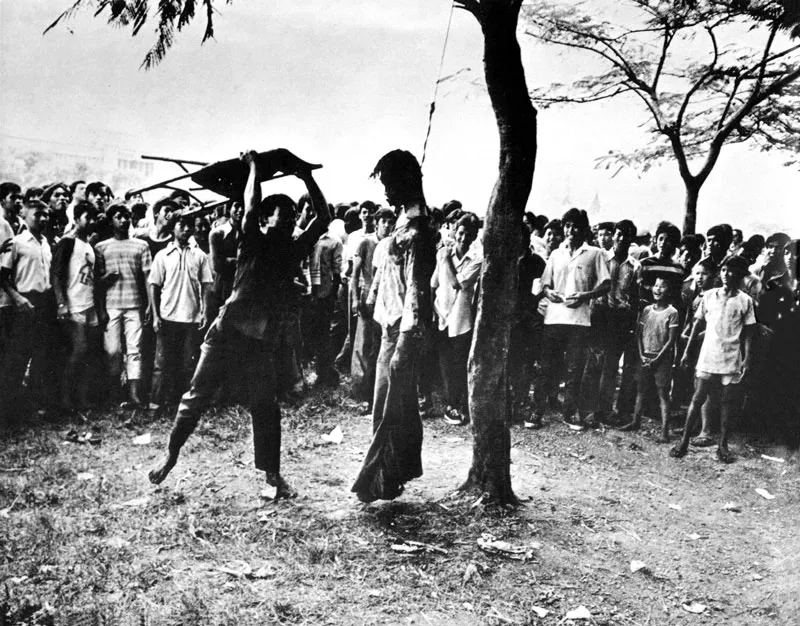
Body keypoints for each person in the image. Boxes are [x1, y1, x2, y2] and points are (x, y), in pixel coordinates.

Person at [148, 149, 330, 499]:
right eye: (284, 216)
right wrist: (253, 169)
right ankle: (171, 454)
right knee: (195, 398)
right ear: (265, 219)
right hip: (227, 331)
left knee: (265, 407)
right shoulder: (252, 239)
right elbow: (248, 207)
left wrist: (306, 176)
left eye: (294, 217)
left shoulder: (292, 249)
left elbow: (323, 217)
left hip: (259, 341)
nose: (292, 222)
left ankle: (273, 478)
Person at [352, 150, 436, 503]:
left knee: (388, 408)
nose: (385, 191)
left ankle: (378, 480)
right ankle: (393, 475)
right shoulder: (403, 224)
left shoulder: (417, 230)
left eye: (389, 183)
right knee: (394, 406)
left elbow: (417, 292)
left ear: (405, 182)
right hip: (389, 327)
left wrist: (404, 341)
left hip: (404, 330)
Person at [670, 256, 756, 463]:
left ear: (740, 275)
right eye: (725, 270)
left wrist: (747, 359)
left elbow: (749, 333)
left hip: (731, 356)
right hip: (709, 353)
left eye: (733, 271)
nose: (728, 274)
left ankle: (723, 445)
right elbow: (697, 326)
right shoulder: (709, 296)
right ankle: (684, 441)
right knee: (698, 397)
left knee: (728, 402)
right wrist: (687, 352)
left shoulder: (745, 301)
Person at [531, 208, 611, 430]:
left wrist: (585, 296)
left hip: (579, 320)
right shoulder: (557, 253)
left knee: (574, 369)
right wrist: (549, 293)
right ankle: (537, 411)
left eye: (575, 226)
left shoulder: (594, 253)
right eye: (567, 226)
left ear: (583, 229)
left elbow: (606, 284)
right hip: (554, 318)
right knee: (547, 367)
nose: (570, 230)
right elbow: (545, 284)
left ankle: (569, 414)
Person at [148, 213, 213, 409]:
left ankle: (184, 402)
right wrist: (155, 316)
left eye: (189, 226)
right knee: (162, 364)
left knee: (187, 364)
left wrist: (204, 312)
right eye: (181, 225)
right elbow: (153, 285)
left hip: (191, 317)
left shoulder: (199, 255)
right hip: (167, 316)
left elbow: (207, 285)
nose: (186, 230)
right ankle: (157, 402)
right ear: (173, 227)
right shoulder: (162, 255)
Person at [0, 200, 57, 418]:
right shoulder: (17, 242)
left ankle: (34, 405)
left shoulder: (45, 243)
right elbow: (3, 277)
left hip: (44, 301)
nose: (43, 219)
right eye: (37, 215)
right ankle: (9, 409)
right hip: (24, 301)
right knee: (18, 356)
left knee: (41, 355)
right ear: (25, 214)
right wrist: (18, 299)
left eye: (46, 215)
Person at [95, 203, 152, 407]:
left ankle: (134, 394)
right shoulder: (101, 247)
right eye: (119, 216)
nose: (124, 220)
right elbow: (97, 283)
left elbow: (147, 277)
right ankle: (114, 393)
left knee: (135, 349)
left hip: (134, 304)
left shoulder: (141, 245)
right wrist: (105, 281)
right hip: (111, 305)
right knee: (113, 350)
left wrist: (149, 305)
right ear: (111, 221)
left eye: (127, 216)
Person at [432, 213, 482, 426]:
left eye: (468, 234)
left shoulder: (476, 259)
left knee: (458, 363)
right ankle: (449, 405)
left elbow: (457, 284)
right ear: (455, 231)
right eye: (461, 232)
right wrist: (431, 309)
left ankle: (456, 404)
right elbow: (434, 282)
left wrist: (445, 260)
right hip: (441, 313)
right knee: (443, 363)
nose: (463, 238)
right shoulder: (443, 253)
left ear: (473, 236)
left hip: (461, 319)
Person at [51, 200, 99, 412]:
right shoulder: (67, 242)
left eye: (93, 218)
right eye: (87, 218)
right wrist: (61, 303)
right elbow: (56, 275)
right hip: (73, 305)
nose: (91, 222)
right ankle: (65, 399)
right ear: (77, 219)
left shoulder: (88, 245)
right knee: (78, 351)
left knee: (87, 354)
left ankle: (82, 398)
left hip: (88, 304)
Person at [620, 277, 679, 441]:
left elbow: (671, 340)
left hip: (662, 359)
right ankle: (635, 421)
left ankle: (665, 432)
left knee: (662, 393)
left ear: (669, 290)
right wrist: (641, 355)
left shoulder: (672, 312)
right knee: (640, 390)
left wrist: (658, 358)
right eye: (656, 285)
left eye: (663, 286)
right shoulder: (646, 310)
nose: (658, 289)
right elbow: (639, 335)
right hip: (644, 356)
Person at [350, 207, 396, 408]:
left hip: (385, 302)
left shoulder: (393, 245)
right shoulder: (366, 243)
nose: (387, 225)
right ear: (376, 223)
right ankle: (361, 394)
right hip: (367, 299)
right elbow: (354, 275)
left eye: (390, 222)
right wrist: (354, 299)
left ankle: (377, 393)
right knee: (363, 347)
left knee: (379, 349)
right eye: (383, 221)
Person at [308, 221, 343, 386]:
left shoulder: (333, 241)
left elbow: (337, 271)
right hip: (305, 291)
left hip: (324, 293)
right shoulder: (305, 237)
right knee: (309, 334)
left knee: (322, 333)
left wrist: (332, 295)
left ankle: (325, 373)